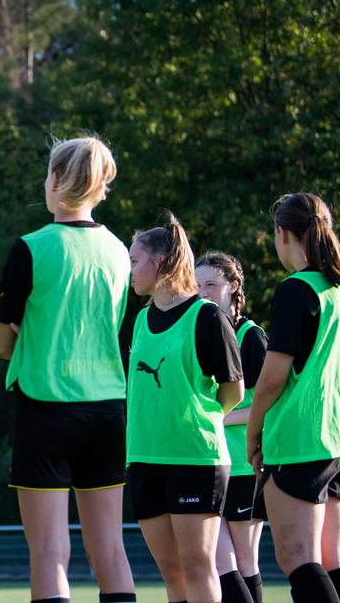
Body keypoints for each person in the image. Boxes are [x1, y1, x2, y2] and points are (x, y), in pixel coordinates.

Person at [0, 136, 135, 603]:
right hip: (110, 410)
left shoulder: (31, 247)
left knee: (50, 552)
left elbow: (1, 345)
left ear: (54, 179)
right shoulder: (118, 250)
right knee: (110, 550)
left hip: (46, 407)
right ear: (101, 186)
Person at [246, 193, 340, 603]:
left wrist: (254, 431)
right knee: (335, 560)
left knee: (299, 559)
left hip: (301, 441)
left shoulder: (296, 289)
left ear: (282, 234)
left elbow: (273, 377)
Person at [126, 215, 244, 603]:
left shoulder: (206, 316)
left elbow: (234, 391)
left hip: (195, 457)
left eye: (134, 261)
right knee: (171, 571)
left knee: (197, 566)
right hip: (144, 457)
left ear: (159, 262)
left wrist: (198, 419)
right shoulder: (140, 319)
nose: (129, 271)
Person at [196, 252, 268, 603]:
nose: (203, 292)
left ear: (233, 286)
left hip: (243, 465)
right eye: (196, 286)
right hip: (208, 464)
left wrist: (219, 418)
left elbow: (273, 406)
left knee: (243, 561)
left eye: (211, 284)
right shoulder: (199, 330)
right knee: (216, 560)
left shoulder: (250, 337)